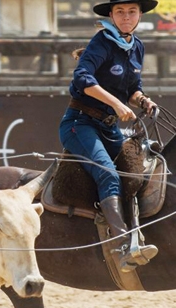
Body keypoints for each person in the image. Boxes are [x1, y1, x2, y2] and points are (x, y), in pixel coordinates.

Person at [59, 0, 159, 272]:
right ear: (112, 16)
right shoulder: (101, 42)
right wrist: (116, 104)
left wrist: (143, 100)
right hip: (79, 124)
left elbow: (132, 87)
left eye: (131, 12)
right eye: (120, 12)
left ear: (139, 15)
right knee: (109, 175)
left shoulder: (137, 46)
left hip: (109, 128)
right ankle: (123, 246)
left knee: (137, 172)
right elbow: (82, 78)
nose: (126, 17)